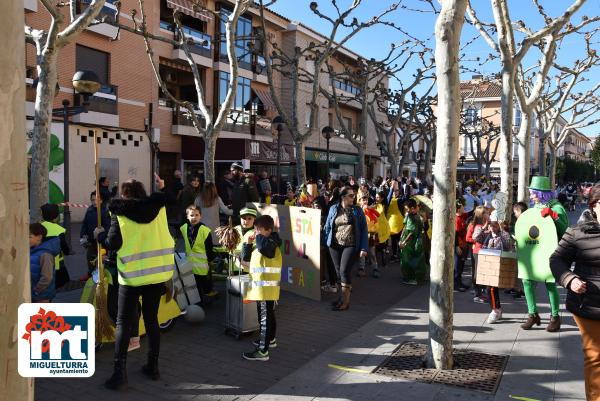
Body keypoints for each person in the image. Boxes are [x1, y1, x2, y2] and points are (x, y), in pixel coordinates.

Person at [95, 174, 175, 390]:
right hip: (157, 275)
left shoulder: (118, 213)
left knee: (123, 322)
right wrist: (163, 187)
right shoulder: (159, 209)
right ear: (143, 192)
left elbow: (112, 243)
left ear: (124, 194)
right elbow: (170, 201)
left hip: (131, 277)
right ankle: (153, 366)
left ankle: (119, 374)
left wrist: (99, 235)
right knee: (151, 320)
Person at [550, 184, 600, 401]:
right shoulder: (577, 232)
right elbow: (556, 260)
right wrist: (570, 280)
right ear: (594, 205)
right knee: (595, 356)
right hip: (588, 305)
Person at [520, 176, 567, 332]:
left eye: (533, 193)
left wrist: (553, 216)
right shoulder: (534, 209)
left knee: (550, 283)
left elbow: (564, 229)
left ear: (541, 193)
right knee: (527, 280)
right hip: (534, 250)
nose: (531, 196)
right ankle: (532, 314)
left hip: (551, 252)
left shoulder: (557, 207)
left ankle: (555, 317)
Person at [241, 215, 282, 361]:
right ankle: (270, 340)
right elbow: (245, 259)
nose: (256, 232)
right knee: (267, 315)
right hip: (260, 287)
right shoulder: (261, 241)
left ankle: (262, 351)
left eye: (259, 229)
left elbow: (265, 248)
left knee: (264, 319)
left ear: (269, 230)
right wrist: (248, 243)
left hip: (266, 287)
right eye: (255, 229)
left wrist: (257, 238)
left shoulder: (271, 242)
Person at [323, 186, 368, 311]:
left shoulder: (357, 210)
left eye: (354, 195)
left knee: (344, 271)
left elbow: (364, 230)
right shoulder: (333, 208)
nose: (354, 198)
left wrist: (364, 248)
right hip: (334, 245)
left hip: (351, 245)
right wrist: (326, 242)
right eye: (351, 196)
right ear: (343, 197)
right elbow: (327, 226)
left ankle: (345, 302)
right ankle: (341, 298)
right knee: (339, 273)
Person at [479, 211, 515, 324]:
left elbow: (509, 244)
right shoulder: (486, 233)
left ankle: (495, 310)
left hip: (499, 265)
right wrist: (485, 226)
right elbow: (475, 237)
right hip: (487, 264)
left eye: (495, 225)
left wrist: (501, 228)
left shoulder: (503, 235)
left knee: (492, 288)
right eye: (491, 224)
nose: (492, 227)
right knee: (488, 288)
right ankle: (496, 309)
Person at [181, 205, 216, 306]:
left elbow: (209, 247)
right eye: (191, 215)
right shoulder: (183, 228)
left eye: (197, 215)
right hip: (190, 264)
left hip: (202, 265)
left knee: (202, 284)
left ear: (200, 216)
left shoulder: (205, 230)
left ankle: (203, 301)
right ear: (187, 216)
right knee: (193, 285)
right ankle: (196, 302)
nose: (194, 217)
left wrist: (210, 260)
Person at [358, 194, 390, 278]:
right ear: (359, 201)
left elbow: (378, 214)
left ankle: (375, 268)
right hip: (362, 234)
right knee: (362, 252)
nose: (365, 201)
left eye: (366, 200)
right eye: (363, 200)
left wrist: (369, 209)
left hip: (371, 234)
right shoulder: (358, 210)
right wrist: (365, 209)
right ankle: (361, 268)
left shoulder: (370, 209)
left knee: (372, 253)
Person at [80, 191, 111, 276]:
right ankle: (91, 275)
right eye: (92, 200)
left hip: (102, 243)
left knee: (102, 262)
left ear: (101, 200)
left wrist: (103, 231)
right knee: (90, 260)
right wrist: (83, 236)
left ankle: (102, 278)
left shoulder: (105, 211)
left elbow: (110, 226)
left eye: (96, 200)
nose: (94, 202)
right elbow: (84, 224)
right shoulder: (90, 210)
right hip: (91, 242)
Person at [40, 203, 71, 288]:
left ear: (42, 216)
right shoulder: (59, 230)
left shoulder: (39, 227)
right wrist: (67, 251)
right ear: (56, 217)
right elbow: (64, 246)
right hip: (57, 264)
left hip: (41, 261)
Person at [29, 223, 61, 303]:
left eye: (29, 237)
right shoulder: (32, 250)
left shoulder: (45, 254)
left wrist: (36, 291)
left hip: (41, 296)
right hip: (35, 294)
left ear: (39, 237)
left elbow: (47, 277)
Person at [399, 198, 427, 285]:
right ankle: (419, 277)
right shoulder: (408, 215)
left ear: (412, 208)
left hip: (413, 242)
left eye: (407, 209)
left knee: (410, 260)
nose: (406, 210)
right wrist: (401, 238)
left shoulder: (416, 218)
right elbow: (405, 227)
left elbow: (411, 233)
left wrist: (404, 242)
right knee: (415, 259)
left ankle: (412, 278)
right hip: (407, 240)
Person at [466, 206, 489, 303]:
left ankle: (480, 292)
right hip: (477, 251)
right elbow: (469, 238)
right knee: (476, 273)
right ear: (482, 215)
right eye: (486, 213)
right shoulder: (474, 225)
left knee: (482, 272)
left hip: (485, 250)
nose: (488, 214)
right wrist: (475, 242)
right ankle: (477, 294)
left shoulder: (486, 223)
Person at [233, 207, 257, 272]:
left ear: (254, 219)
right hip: (234, 268)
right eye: (243, 218)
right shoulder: (235, 230)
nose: (246, 221)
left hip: (249, 270)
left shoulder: (257, 233)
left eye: (249, 218)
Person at [386, 181, 405, 262]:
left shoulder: (400, 200)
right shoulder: (388, 200)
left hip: (400, 223)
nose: (395, 192)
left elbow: (406, 196)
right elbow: (388, 199)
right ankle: (394, 255)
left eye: (396, 191)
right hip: (391, 224)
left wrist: (406, 185)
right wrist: (391, 188)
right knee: (393, 241)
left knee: (400, 240)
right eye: (394, 191)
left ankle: (401, 255)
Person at [454, 201, 469, 292]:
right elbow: (455, 233)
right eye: (463, 207)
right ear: (458, 209)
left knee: (461, 265)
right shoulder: (456, 219)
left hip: (463, 244)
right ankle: (456, 284)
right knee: (457, 265)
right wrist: (456, 246)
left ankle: (460, 282)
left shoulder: (462, 217)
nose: (464, 208)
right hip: (459, 245)